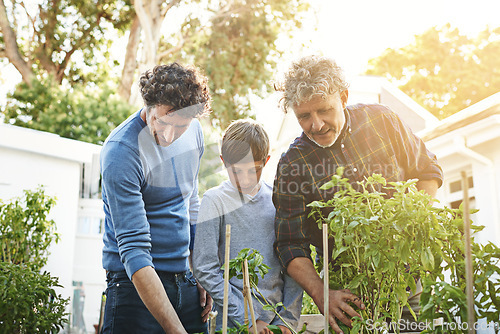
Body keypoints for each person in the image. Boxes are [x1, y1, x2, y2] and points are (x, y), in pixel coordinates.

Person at [273, 55, 443, 334]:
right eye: (304, 116)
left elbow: (427, 170)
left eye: (324, 110)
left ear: (343, 96)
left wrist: (412, 224)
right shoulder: (293, 164)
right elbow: (289, 244)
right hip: (349, 298)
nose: (316, 125)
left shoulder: (383, 121)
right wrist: (321, 292)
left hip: (407, 284)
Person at [100, 62, 213, 334]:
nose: (169, 135)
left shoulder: (195, 132)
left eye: (181, 125)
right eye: (162, 121)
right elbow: (134, 250)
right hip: (133, 289)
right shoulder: (121, 152)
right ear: (149, 105)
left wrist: (200, 268)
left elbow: (191, 202)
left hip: (185, 283)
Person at [193, 119, 303, 334]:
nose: (244, 179)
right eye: (236, 171)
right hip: (231, 324)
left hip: (277, 324)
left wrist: (286, 322)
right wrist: (248, 319)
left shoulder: (278, 201)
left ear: (266, 161)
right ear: (223, 161)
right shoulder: (214, 201)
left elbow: (293, 263)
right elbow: (205, 267)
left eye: (253, 170)